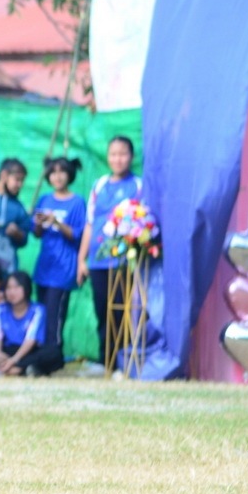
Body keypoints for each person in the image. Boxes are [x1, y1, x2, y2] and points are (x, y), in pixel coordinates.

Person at [76, 136, 142, 366]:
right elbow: (89, 224)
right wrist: (81, 260)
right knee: (102, 310)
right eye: (113, 154)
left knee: (122, 311)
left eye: (122, 154)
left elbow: (144, 222)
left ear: (131, 157)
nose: (118, 159)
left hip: (124, 261)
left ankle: (125, 362)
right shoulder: (100, 185)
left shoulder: (138, 185)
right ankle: (107, 362)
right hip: (97, 261)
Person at [31, 157, 87, 349]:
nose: (57, 176)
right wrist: (39, 224)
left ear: (69, 174)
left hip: (64, 268)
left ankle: (53, 355)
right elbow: (36, 233)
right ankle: (40, 354)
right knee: (41, 313)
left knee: (55, 316)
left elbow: (78, 234)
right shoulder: (44, 199)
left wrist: (56, 222)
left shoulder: (77, 202)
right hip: (44, 266)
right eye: (53, 172)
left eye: (62, 172)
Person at [0, 271, 64, 377]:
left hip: (28, 351)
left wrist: (14, 360)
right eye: (8, 288)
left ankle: (17, 369)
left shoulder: (37, 310)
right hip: (9, 350)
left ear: (26, 288)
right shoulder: (0, 310)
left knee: (54, 353)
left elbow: (31, 339)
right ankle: (26, 369)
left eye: (17, 287)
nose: (12, 292)